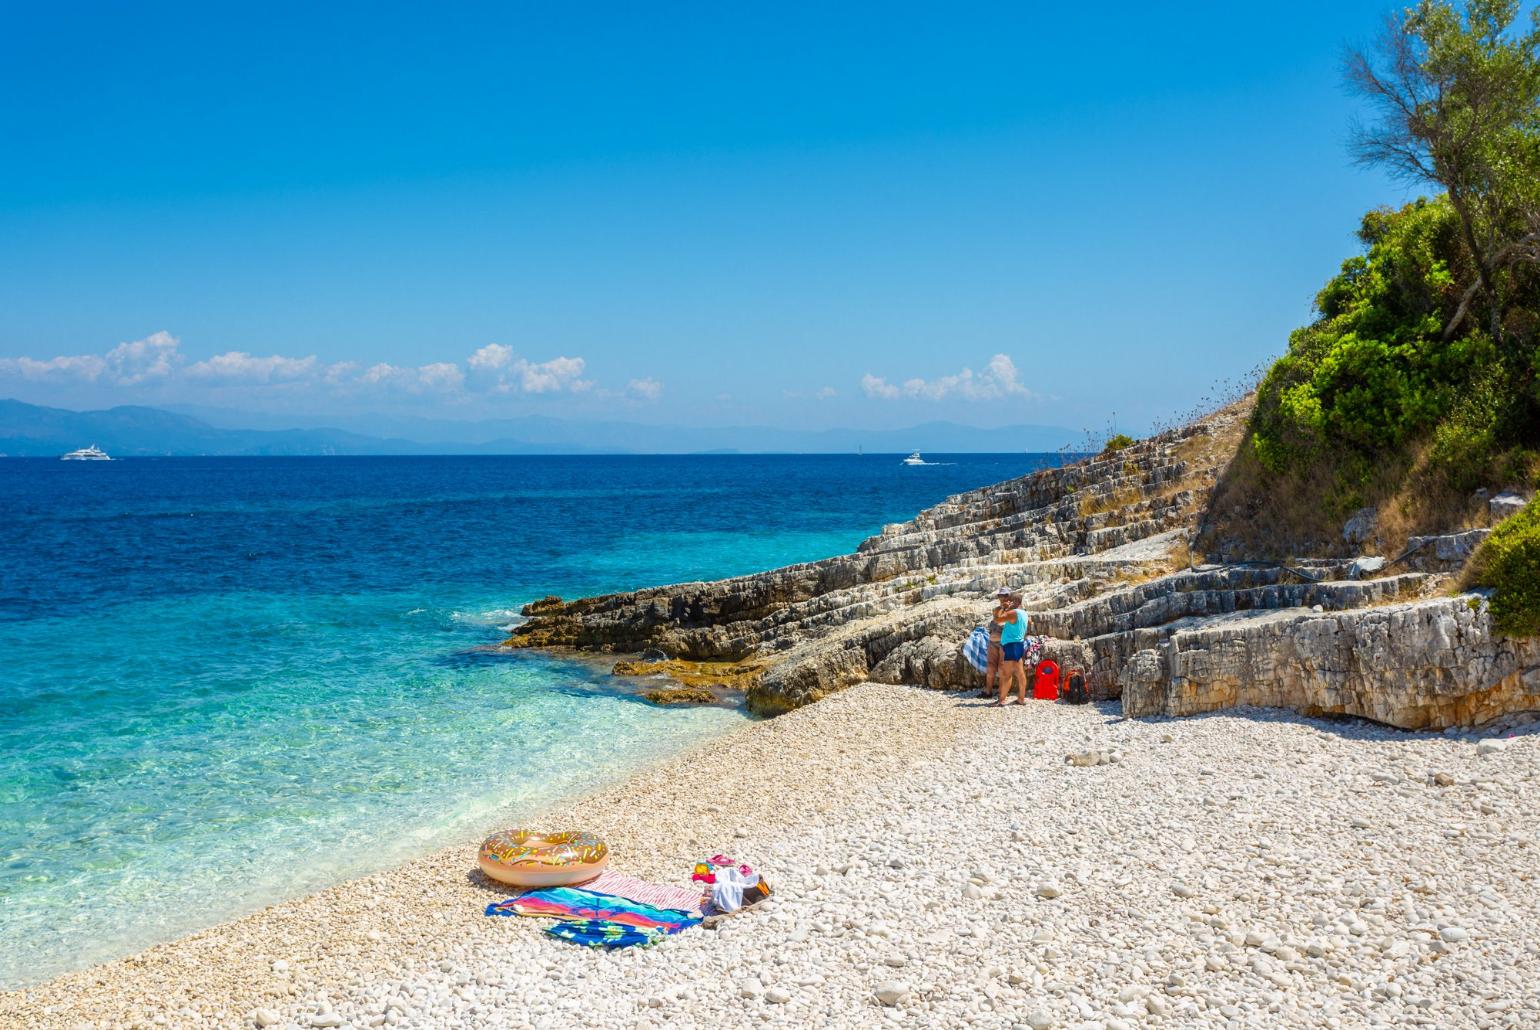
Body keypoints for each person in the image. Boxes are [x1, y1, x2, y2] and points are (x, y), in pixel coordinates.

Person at [994, 597, 1031, 706]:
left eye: (1010, 601)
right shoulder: (1024, 613)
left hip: (1011, 645)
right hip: (1019, 644)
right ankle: (1021, 698)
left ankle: (1001, 700)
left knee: (1007, 674)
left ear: (1015, 602)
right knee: (1020, 673)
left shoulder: (1013, 613)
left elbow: (997, 619)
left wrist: (1000, 608)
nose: (1008, 603)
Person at [982, 587, 1012, 698]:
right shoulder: (997, 609)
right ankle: (988, 691)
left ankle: (1001, 693)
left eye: (1005, 596)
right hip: (992, 642)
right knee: (990, 667)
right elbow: (995, 618)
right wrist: (1002, 608)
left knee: (1002, 667)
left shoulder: (1013, 611)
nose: (1002, 598)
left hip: (1004, 643)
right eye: (1000, 596)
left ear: (1009, 596)